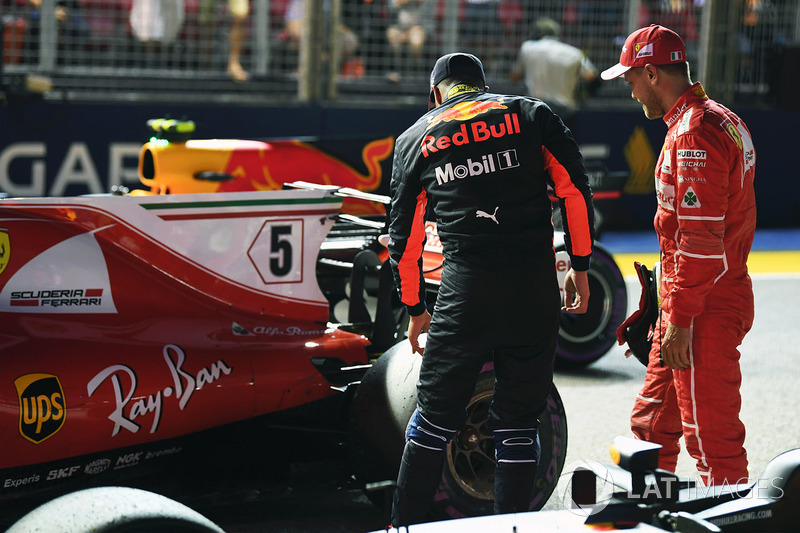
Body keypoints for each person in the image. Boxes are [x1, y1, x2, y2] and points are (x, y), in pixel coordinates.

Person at [388, 52, 594, 526]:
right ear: (481, 84)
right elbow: (575, 193)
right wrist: (579, 267)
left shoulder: (415, 137)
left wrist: (415, 307)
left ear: (437, 93)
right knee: (520, 423)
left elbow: (405, 242)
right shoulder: (530, 114)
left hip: (466, 297)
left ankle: (403, 526)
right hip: (533, 291)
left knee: (433, 420)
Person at [601, 24, 756, 486]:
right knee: (651, 430)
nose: (631, 93)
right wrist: (666, 308)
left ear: (651, 74)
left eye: (630, 81)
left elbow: (702, 244)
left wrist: (681, 319)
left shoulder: (694, 136)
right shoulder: (723, 119)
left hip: (703, 308)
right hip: (687, 303)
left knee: (712, 443)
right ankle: (653, 512)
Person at [510, 18, 599, 119]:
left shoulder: (528, 48)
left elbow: (514, 77)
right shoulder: (574, 53)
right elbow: (592, 77)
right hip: (565, 111)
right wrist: (583, 96)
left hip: (536, 109)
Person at [385, 0, 436, 82]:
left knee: (416, 40)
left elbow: (429, 24)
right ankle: (395, 71)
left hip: (418, 29)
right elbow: (389, 17)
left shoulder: (426, 3)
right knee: (393, 36)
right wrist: (397, 5)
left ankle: (414, 73)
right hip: (399, 28)